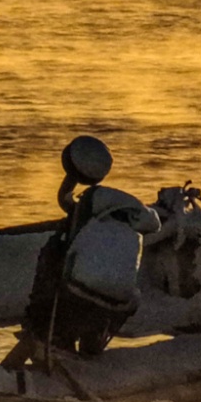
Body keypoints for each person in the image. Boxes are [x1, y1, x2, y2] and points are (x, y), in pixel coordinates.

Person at [19, 135, 160, 368]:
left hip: (76, 290)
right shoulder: (130, 218)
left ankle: (50, 335)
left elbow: (59, 257)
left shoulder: (88, 210)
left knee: (53, 259)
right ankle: (91, 342)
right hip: (120, 300)